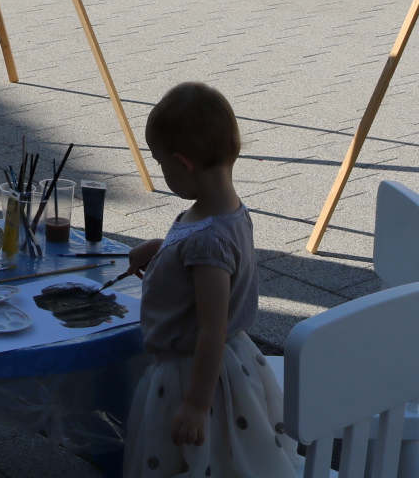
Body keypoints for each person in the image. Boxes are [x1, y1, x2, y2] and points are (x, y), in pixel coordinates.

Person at [121, 83, 297, 478]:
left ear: (183, 164)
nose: (160, 170)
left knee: (197, 461)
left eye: (159, 162)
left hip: (195, 375)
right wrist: (158, 248)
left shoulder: (208, 243)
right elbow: (194, 250)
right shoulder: (227, 212)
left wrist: (195, 406)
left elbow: (211, 329)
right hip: (230, 364)